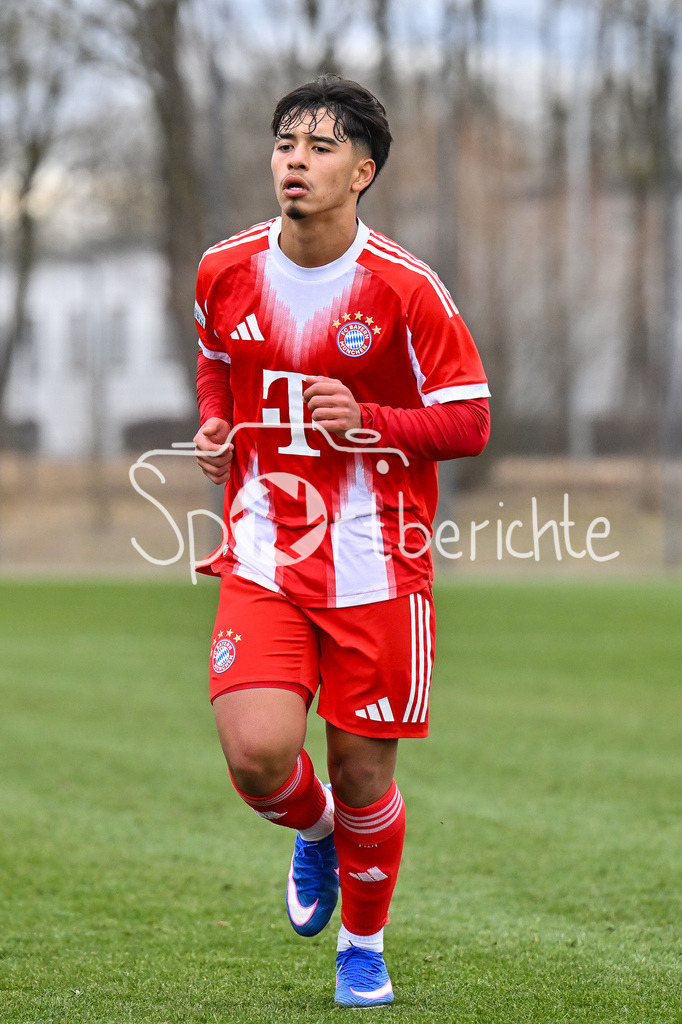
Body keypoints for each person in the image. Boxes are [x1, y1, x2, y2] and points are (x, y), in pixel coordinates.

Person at [192, 74, 490, 1008]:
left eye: (322, 149)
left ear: (363, 172)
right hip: (265, 550)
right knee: (256, 755)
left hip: (377, 558)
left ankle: (363, 945)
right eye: (287, 143)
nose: (297, 161)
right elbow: (214, 353)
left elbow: (471, 419)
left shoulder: (404, 289)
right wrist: (213, 424)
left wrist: (371, 421)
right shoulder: (224, 269)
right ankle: (314, 831)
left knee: (364, 770)